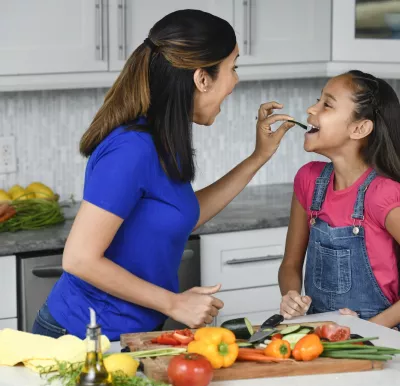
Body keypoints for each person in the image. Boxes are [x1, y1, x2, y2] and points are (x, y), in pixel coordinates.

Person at [32, 9, 295, 341]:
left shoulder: (161, 140)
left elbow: (186, 214)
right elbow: (80, 259)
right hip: (81, 338)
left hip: (130, 334)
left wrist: (259, 156)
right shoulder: (132, 149)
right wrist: (174, 303)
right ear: (202, 78)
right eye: (233, 67)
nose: (235, 81)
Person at [278, 70, 400, 329]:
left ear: (359, 128)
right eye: (318, 100)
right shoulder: (308, 180)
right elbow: (290, 264)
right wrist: (291, 295)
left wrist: (367, 330)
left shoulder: (383, 195)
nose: (312, 108)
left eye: (327, 104)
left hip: (379, 339)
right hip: (319, 332)